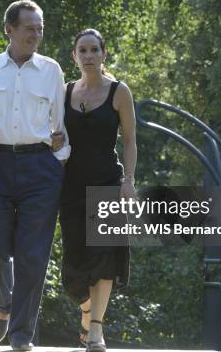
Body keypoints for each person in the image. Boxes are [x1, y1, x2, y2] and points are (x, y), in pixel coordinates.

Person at [0, 0, 70, 351]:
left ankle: (21, 336)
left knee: (33, 255)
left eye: (40, 28)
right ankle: (5, 305)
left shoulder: (51, 70)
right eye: (29, 28)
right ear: (9, 29)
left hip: (41, 169)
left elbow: (63, 124)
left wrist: (59, 162)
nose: (36, 34)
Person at [57, 28, 137, 352]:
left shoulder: (119, 92)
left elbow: (130, 140)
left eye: (94, 50)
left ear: (104, 54)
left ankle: (96, 332)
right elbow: (53, 137)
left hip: (107, 183)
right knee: (74, 271)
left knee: (104, 258)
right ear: (74, 56)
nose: (88, 56)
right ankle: (88, 310)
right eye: (82, 50)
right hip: (71, 186)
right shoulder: (63, 93)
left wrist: (128, 182)